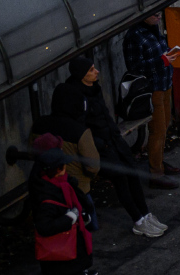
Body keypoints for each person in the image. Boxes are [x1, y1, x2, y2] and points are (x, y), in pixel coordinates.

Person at [51, 57, 165, 237]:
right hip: (101, 146)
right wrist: (100, 143)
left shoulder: (93, 89)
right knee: (121, 179)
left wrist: (114, 136)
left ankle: (145, 214)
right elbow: (82, 127)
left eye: (94, 68)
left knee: (132, 173)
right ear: (82, 75)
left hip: (112, 140)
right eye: (91, 70)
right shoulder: (76, 96)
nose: (96, 72)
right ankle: (138, 220)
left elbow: (104, 116)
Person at [122, 14, 180, 190]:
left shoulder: (153, 29)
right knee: (157, 130)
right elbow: (135, 67)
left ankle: (159, 161)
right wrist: (162, 60)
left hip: (165, 83)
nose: (158, 16)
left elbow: (159, 50)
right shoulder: (134, 36)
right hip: (152, 89)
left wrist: (171, 53)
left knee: (165, 124)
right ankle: (156, 173)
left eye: (158, 13)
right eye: (153, 14)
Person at [30, 148, 93, 275]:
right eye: (64, 166)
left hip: (67, 252)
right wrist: (70, 218)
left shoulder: (61, 184)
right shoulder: (48, 196)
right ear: (57, 169)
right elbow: (44, 227)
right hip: (60, 257)